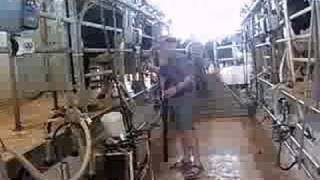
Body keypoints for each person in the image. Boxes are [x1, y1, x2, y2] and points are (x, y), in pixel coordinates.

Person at [149, 37, 204, 179]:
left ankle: (197, 163)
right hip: (174, 99)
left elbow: (189, 78)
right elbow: (165, 73)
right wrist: (151, 68)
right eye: (161, 46)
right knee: (181, 129)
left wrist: (175, 88)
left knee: (188, 130)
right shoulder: (166, 60)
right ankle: (186, 159)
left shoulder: (181, 58)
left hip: (184, 97)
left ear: (172, 46)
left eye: (165, 46)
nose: (162, 49)